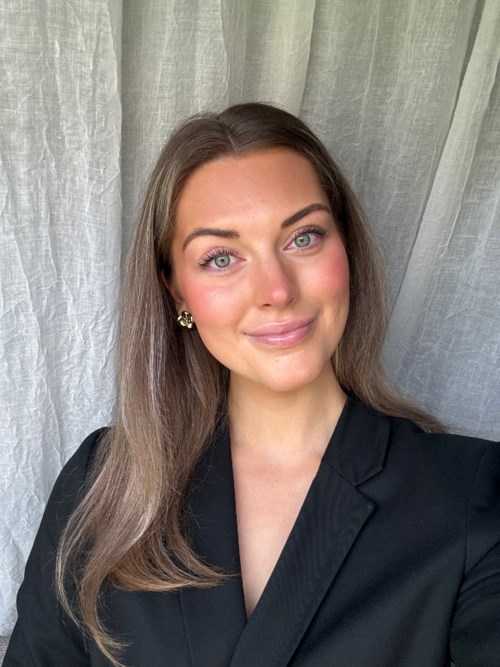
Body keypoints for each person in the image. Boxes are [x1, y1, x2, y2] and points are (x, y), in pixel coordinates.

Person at [4, 103, 500, 667]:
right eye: (221, 258)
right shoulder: (104, 481)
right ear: (176, 292)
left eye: (303, 237)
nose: (276, 291)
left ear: (347, 248)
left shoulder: (470, 494)